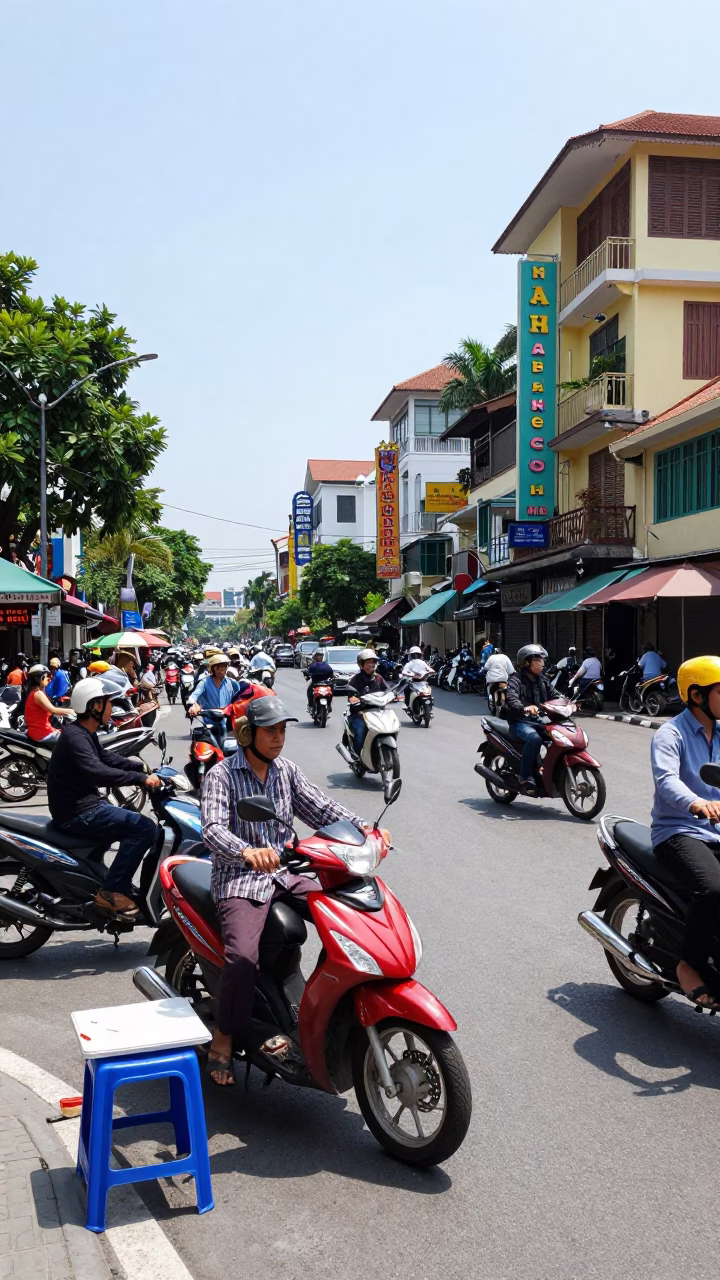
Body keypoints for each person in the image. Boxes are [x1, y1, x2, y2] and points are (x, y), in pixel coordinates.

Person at [201, 696, 371, 1086]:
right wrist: (245, 851)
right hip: (240, 878)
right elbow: (211, 829)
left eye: (282, 730)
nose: (278, 738)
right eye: (270, 731)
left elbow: (324, 809)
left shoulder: (286, 772)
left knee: (350, 921)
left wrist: (366, 829)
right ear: (249, 734)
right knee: (242, 957)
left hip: (289, 873)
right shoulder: (222, 775)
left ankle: (325, 1009)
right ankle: (224, 1038)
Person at [47, 676, 163, 920]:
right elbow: (96, 771)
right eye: (109, 702)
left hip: (85, 805)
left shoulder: (83, 732)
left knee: (134, 823)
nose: (114, 708)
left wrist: (140, 767)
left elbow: (106, 758)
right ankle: (112, 891)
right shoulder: (76, 737)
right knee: (143, 828)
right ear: (95, 706)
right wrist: (140, 780)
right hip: (77, 812)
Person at [651, 656, 720, 1008]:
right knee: (712, 889)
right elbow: (667, 782)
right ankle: (688, 964)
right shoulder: (670, 734)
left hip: (716, 832)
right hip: (678, 831)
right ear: (697, 695)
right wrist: (697, 803)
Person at [506, 645, 551, 795]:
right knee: (534, 739)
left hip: (537, 721)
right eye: (538, 660)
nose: (542, 663)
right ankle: (524, 777)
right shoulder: (515, 680)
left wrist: (568, 702)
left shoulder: (542, 680)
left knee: (557, 736)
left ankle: (545, 768)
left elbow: (556, 694)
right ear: (527, 662)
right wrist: (524, 707)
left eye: (542, 660)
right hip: (519, 722)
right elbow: (511, 698)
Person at [188, 653, 241, 749]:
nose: (220, 670)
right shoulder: (204, 682)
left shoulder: (233, 683)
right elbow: (193, 697)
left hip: (228, 721)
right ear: (212, 669)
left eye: (223, 667)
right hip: (208, 721)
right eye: (217, 667)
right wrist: (193, 706)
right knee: (199, 748)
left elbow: (241, 699)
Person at [347, 649, 388, 754]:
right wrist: (355, 700)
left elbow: (387, 689)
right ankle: (358, 756)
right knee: (361, 729)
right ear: (361, 664)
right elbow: (351, 696)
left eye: (373, 662)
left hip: (378, 712)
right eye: (368, 662)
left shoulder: (378, 678)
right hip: (359, 713)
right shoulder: (355, 680)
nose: (371, 664)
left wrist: (394, 695)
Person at [24, 665, 74, 743]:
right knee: (74, 738)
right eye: (47, 676)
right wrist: (73, 712)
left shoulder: (34, 692)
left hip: (37, 732)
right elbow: (53, 710)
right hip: (42, 733)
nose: (49, 679)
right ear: (40, 678)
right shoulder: (38, 694)